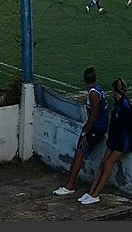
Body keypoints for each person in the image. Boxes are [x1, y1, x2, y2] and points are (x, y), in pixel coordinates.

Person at [78, 77, 132, 205]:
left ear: (114, 90)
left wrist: (127, 143)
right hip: (114, 139)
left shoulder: (124, 105)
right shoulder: (118, 103)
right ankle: (91, 192)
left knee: (108, 164)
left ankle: (96, 195)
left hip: (122, 141)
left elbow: (128, 127)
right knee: (103, 162)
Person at [52, 66, 109, 196]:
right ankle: (69, 183)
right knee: (79, 152)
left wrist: (85, 132)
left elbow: (94, 115)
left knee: (79, 152)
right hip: (98, 127)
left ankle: (70, 186)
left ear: (84, 80)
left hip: (96, 128)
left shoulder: (93, 94)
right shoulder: (98, 90)